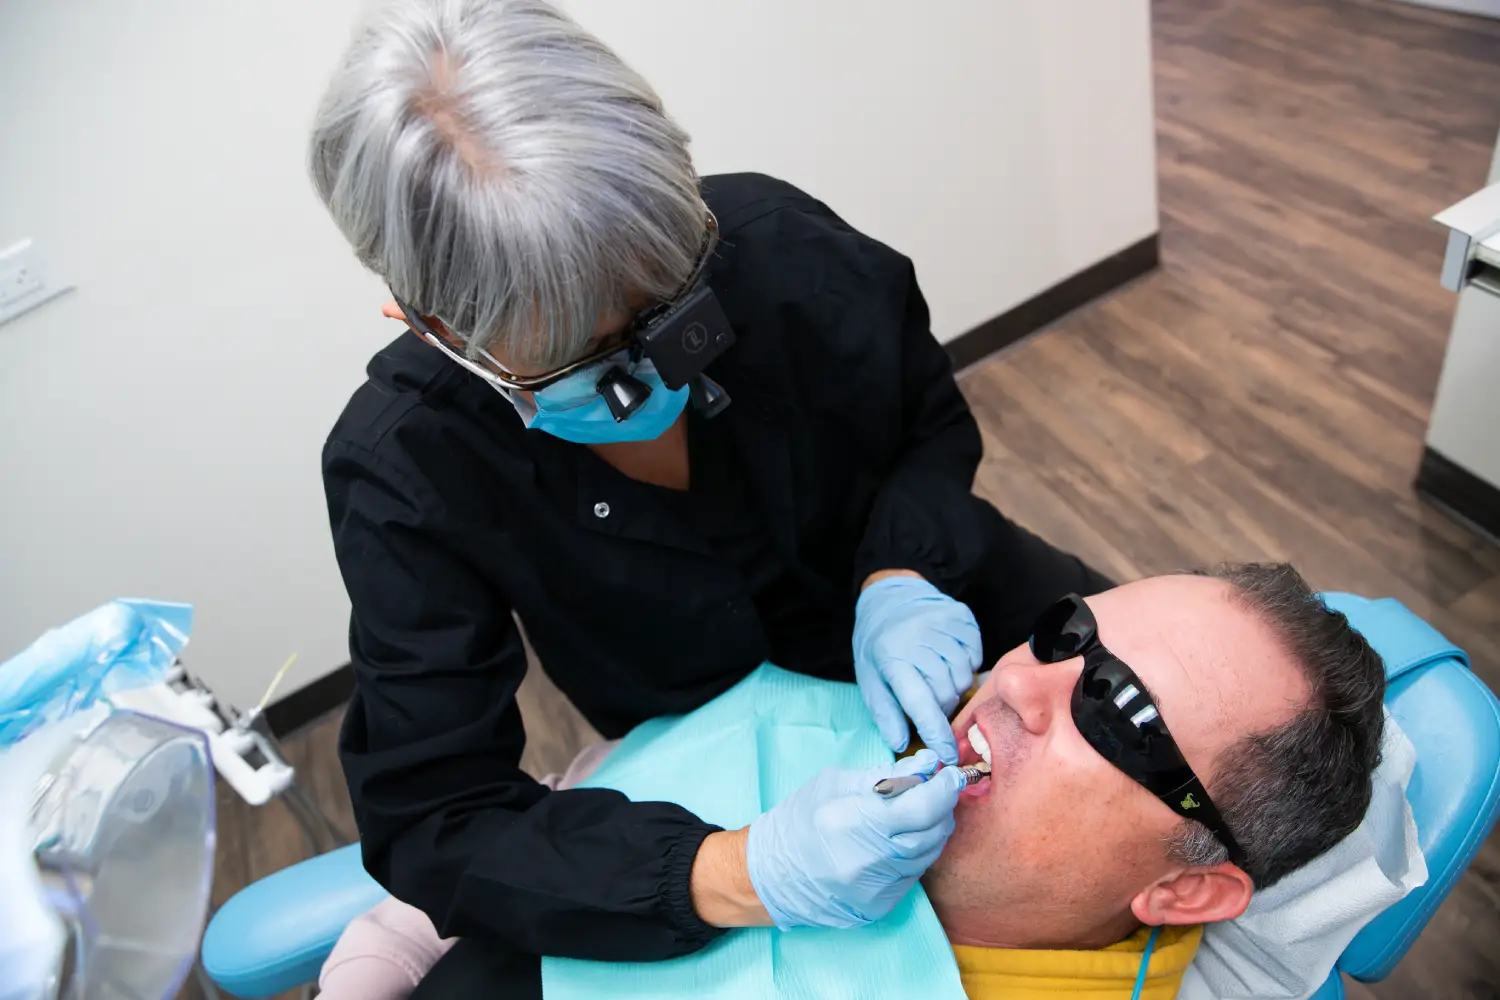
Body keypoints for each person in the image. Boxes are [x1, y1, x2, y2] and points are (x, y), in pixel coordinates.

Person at [312, 0, 1113, 988]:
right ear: (435, 329)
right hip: (714, 745)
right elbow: (437, 812)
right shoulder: (407, 465)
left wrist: (904, 570)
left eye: (669, 314)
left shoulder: (776, 247)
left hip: (952, 607)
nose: (653, 384)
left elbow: (928, 422)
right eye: (581, 363)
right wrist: (742, 871)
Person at [315, 563, 1387, 999]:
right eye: (1069, 633)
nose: (1019, 684)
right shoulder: (826, 716)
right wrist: (382, 955)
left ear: (1189, 888)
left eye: (1123, 712)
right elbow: (554, 808)